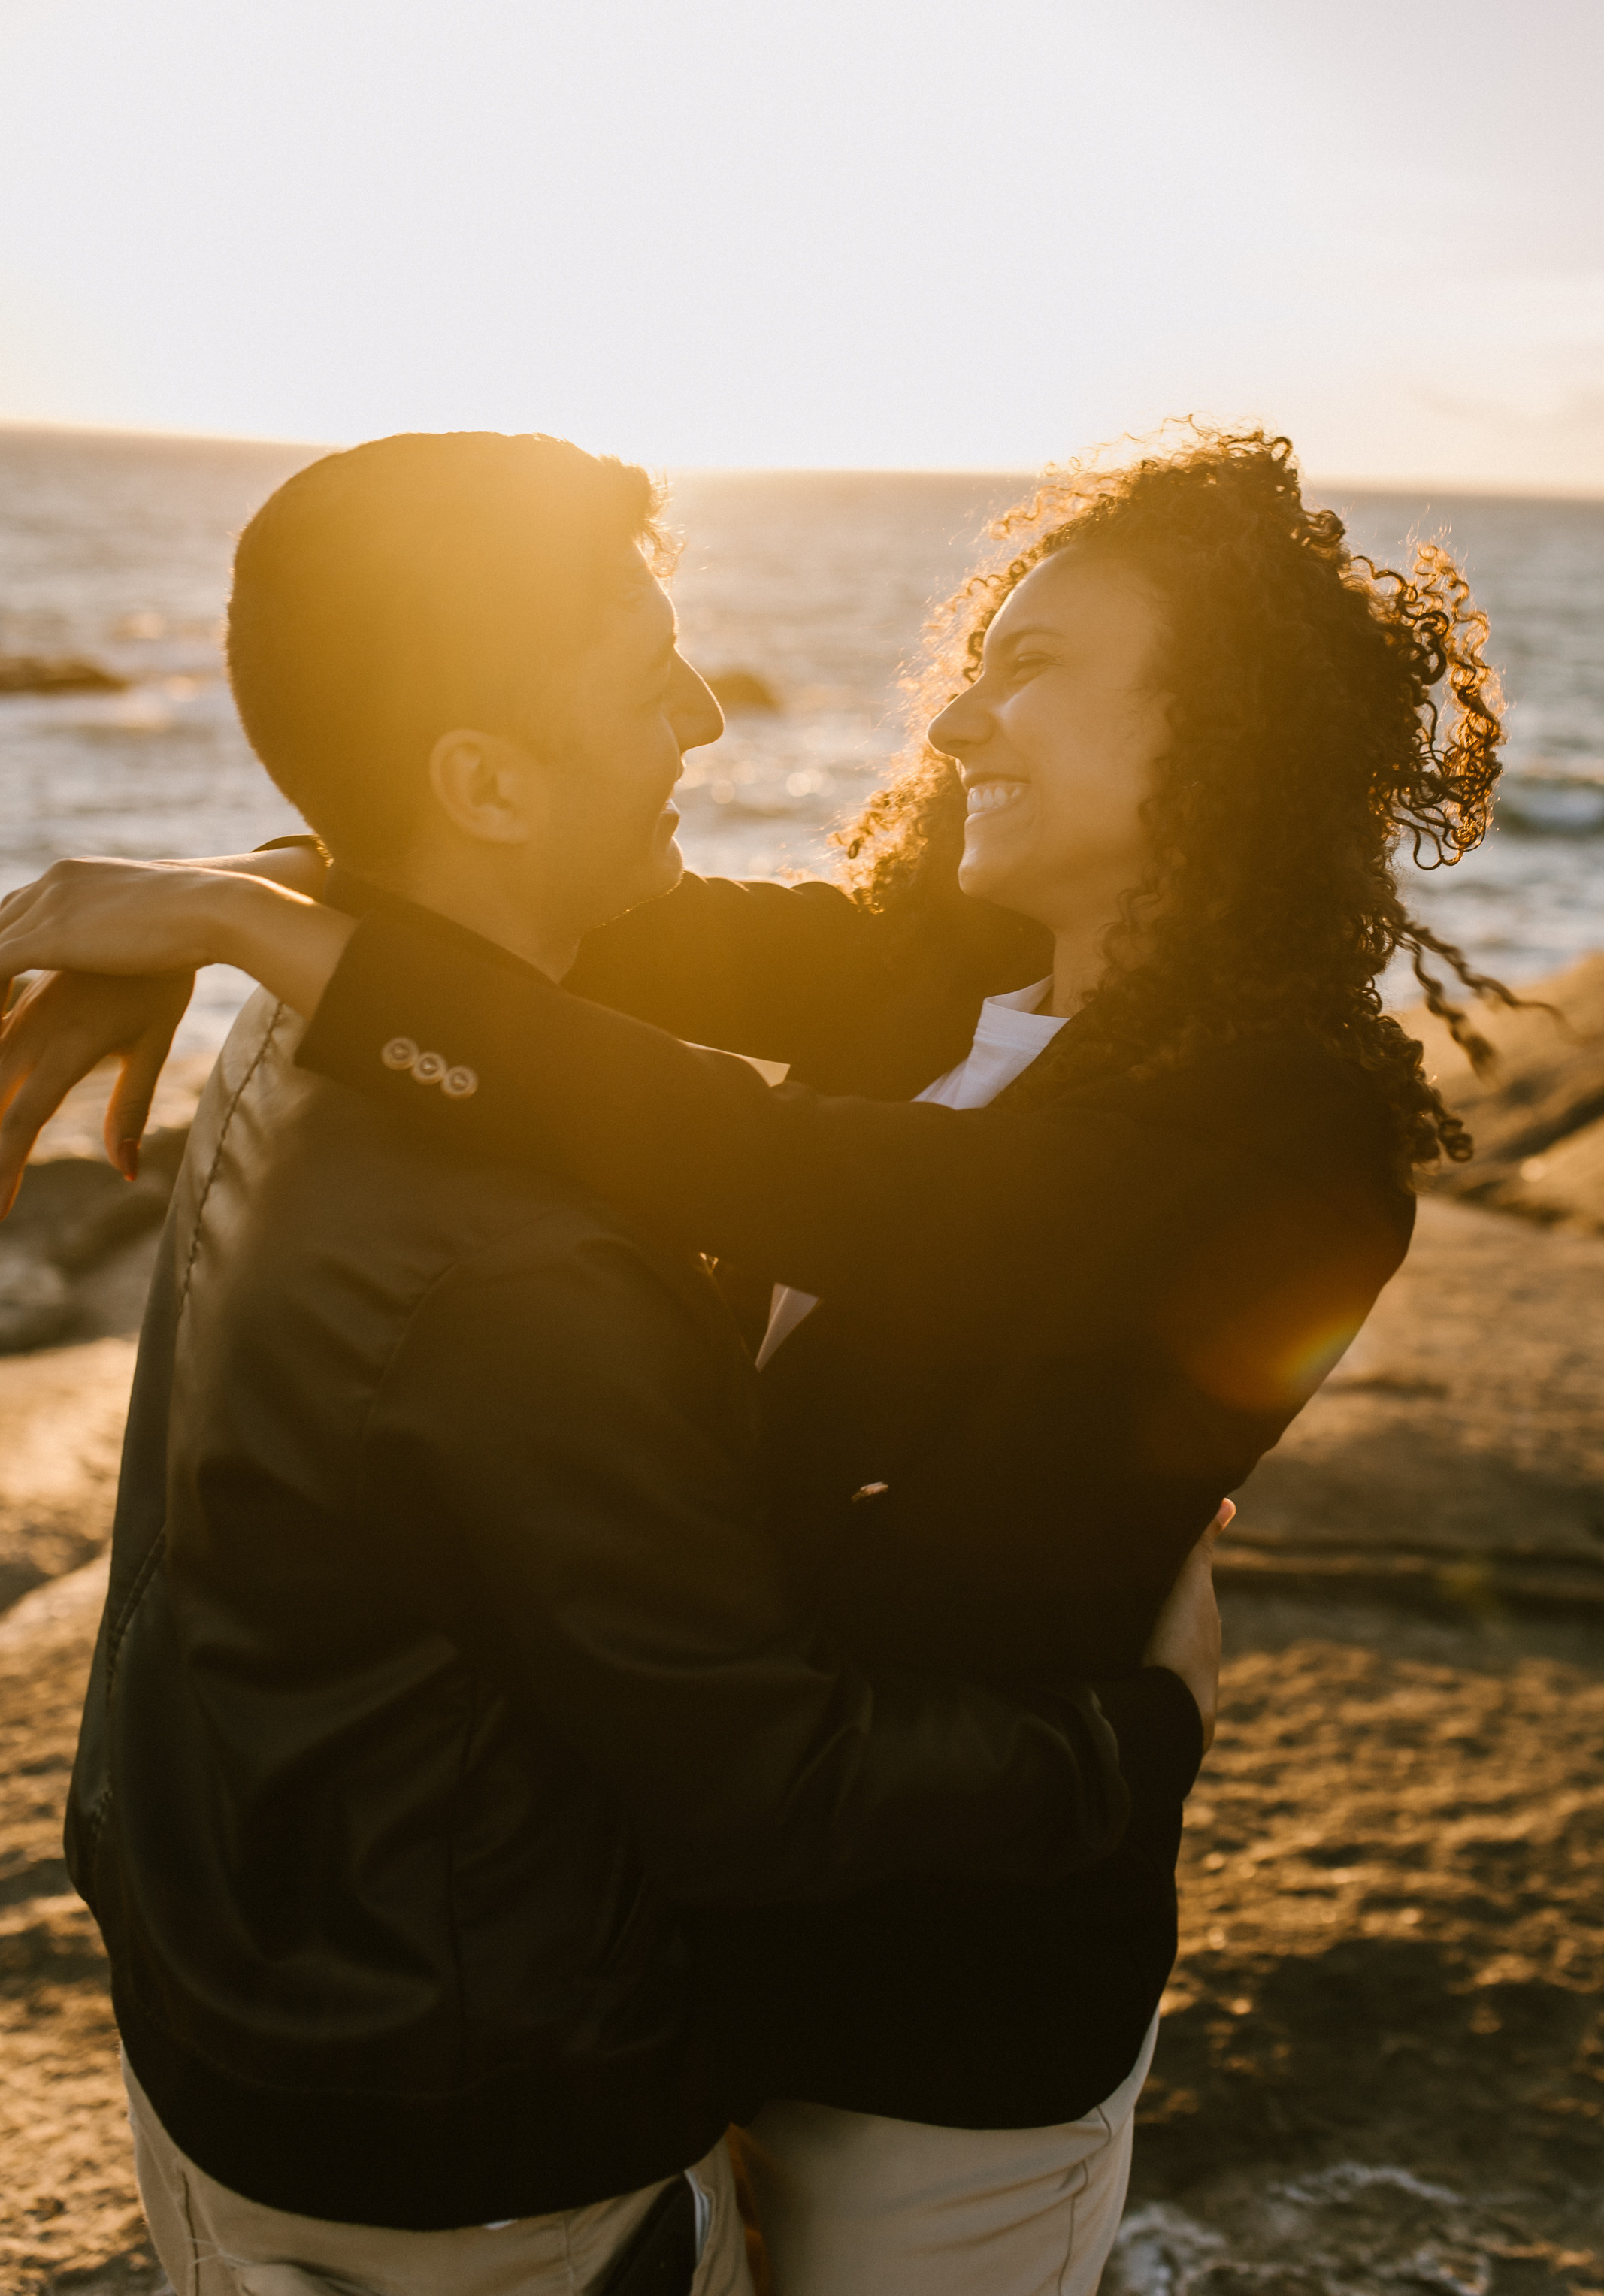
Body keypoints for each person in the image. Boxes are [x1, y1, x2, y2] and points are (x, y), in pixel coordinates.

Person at [0, 422, 1506, 2296]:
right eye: (976, 663)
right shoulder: (935, 968)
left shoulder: (1289, 1137)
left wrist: (244, 927)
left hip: (945, 2006)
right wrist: (251, 879)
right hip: (679, 1933)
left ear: (1225, 730)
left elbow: (813, 1180)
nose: (960, 722)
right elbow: (538, 914)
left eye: (1034, 668)